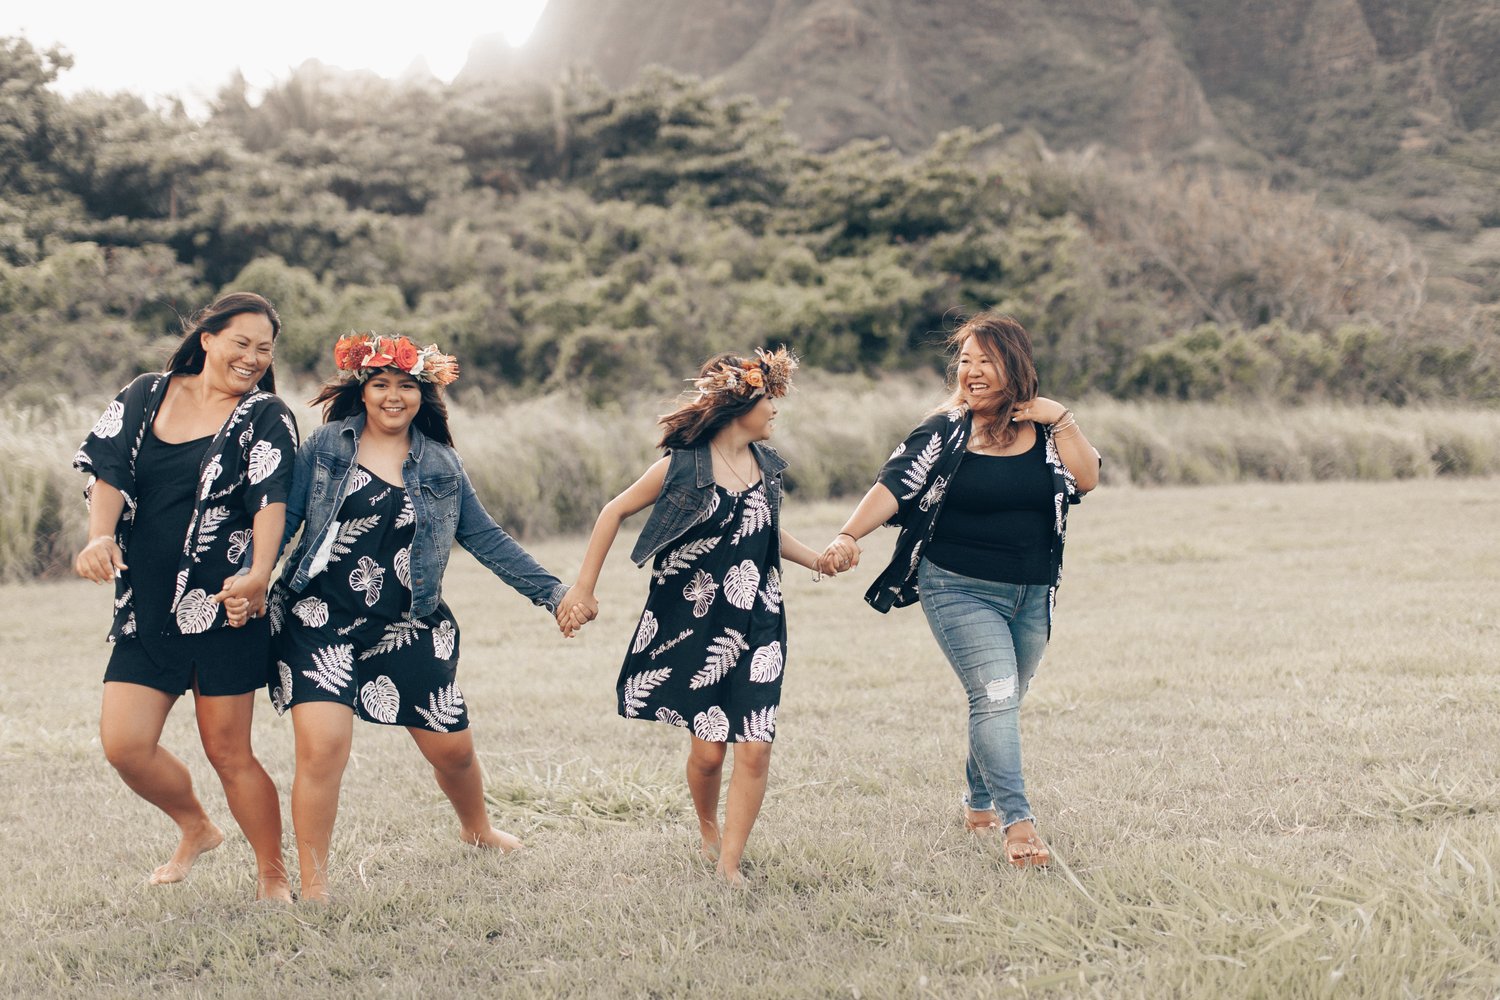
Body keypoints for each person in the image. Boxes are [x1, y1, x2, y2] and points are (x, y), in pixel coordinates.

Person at [268, 332, 587, 902]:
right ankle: (313, 883)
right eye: (381, 384)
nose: (393, 396)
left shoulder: (440, 462)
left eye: (406, 386)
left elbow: (485, 537)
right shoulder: (325, 447)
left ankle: (478, 830)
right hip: (319, 619)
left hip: (409, 624)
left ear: (423, 394)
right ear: (361, 391)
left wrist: (553, 594)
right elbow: (286, 517)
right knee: (321, 750)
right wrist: (251, 575)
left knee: (454, 750)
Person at [818, 312, 1099, 868]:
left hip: (1033, 591)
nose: (970, 371)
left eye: (984, 360)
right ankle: (1018, 826)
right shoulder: (944, 429)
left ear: (1014, 366)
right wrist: (849, 533)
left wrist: (1062, 418)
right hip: (957, 587)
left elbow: (1085, 479)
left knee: (1001, 701)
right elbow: (894, 486)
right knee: (994, 696)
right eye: (964, 360)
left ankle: (977, 799)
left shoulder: (1045, 430)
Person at [557, 347, 829, 886]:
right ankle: (708, 829)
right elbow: (613, 511)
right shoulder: (682, 466)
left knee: (755, 745)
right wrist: (584, 589)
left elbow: (768, 530)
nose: (775, 410)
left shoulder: (768, 468)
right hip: (692, 620)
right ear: (736, 404)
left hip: (759, 620)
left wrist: (818, 559)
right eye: (768, 399)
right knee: (708, 755)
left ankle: (730, 863)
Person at [73, 291, 297, 901]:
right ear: (207, 338)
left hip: (225, 607)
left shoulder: (265, 415)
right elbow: (109, 469)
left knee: (229, 753)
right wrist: (98, 537)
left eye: (264, 349)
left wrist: (259, 573)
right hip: (145, 607)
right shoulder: (146, 393)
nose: (252, 358)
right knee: (124, 746)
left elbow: (271, 498)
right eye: (240, 343)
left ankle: (273, 876)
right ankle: (196, 827)